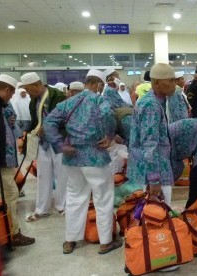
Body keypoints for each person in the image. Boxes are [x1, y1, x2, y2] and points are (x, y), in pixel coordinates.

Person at [43, 69, 122, 254]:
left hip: (72, 157)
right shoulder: (99, 100)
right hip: (95, 155)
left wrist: (59, 144)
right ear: (100, 85)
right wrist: (110, 135)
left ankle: (70, 240)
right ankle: (105, 242)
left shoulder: (68, 102)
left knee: (75, 198)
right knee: (103, 198)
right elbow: (108, 115)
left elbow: (49, 122)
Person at [127, 63, 177, 206]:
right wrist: (154, 179)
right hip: (152, 173)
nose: (174, 84)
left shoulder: (156, 101)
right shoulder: (151, 105)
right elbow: (149, 143)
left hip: (155, 168)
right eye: (170, 81)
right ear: (156, 83)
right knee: (157, 218)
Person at [21, 72, 67, 221]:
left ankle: (62, 206)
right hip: (43, 143)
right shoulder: (33, 101)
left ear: (37, 84)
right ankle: (42, 209)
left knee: (62, 175)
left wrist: (48, 129)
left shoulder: (57, 96)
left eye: (28, 89)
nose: (27, 93)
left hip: (59, 141)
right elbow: (35, 122)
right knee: (42, 175)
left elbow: (65, 120)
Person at [0, 74, 35, 247]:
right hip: (2, 162)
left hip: (5, 160)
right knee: (11, 194)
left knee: (7, 195)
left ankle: (8, 232)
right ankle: (12, 234)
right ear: (7, 90)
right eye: (11, 93)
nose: (11, 96)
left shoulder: (3, 107)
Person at [103, 69, 133, 143]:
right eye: (117, 76)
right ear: (111, 78)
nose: (119, 78)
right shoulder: (109, 90)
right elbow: (119, 103)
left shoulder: (112, 90)